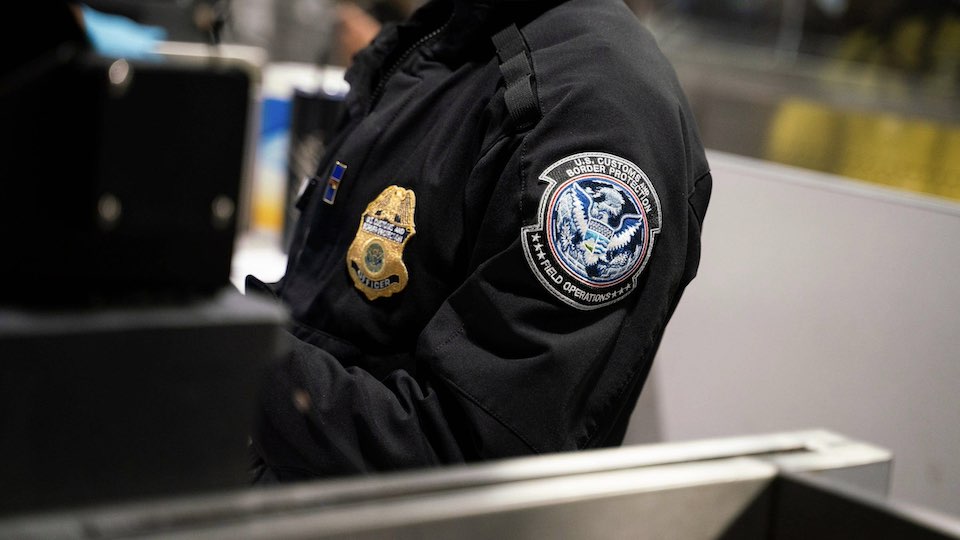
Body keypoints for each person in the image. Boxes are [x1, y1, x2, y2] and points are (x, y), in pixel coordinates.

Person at [247, 0, 712, 481]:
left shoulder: (596, 104)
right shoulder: (453, 42)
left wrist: (226, 364)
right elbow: (338, 323)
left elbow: (467, 454)